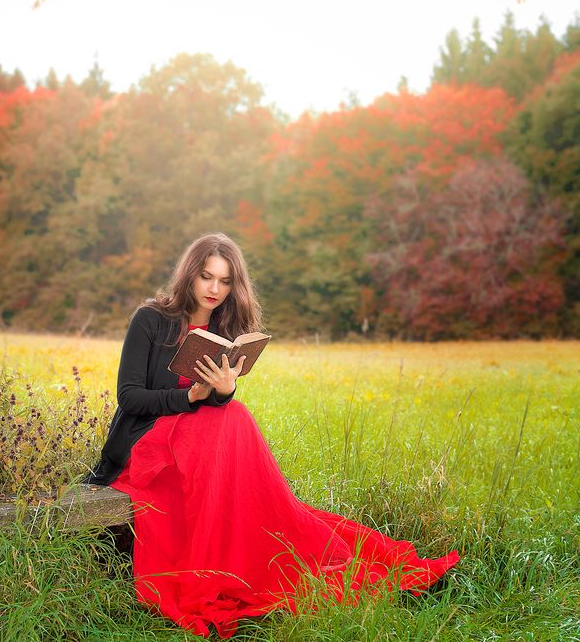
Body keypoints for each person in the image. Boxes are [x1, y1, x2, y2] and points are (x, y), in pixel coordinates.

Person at [85, 232, 459, 639]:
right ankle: (223, 550)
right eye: (207, 277)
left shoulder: (225, 325)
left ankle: (254, 534)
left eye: (225, 281)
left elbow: (212, 405)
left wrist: (223, 391)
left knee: (234, 413)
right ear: (190, 275)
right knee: (230, 420)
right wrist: (188, 395)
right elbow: (130, 396)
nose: (214, 289)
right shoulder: (151, 319)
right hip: (144, 442)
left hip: (193, 435)